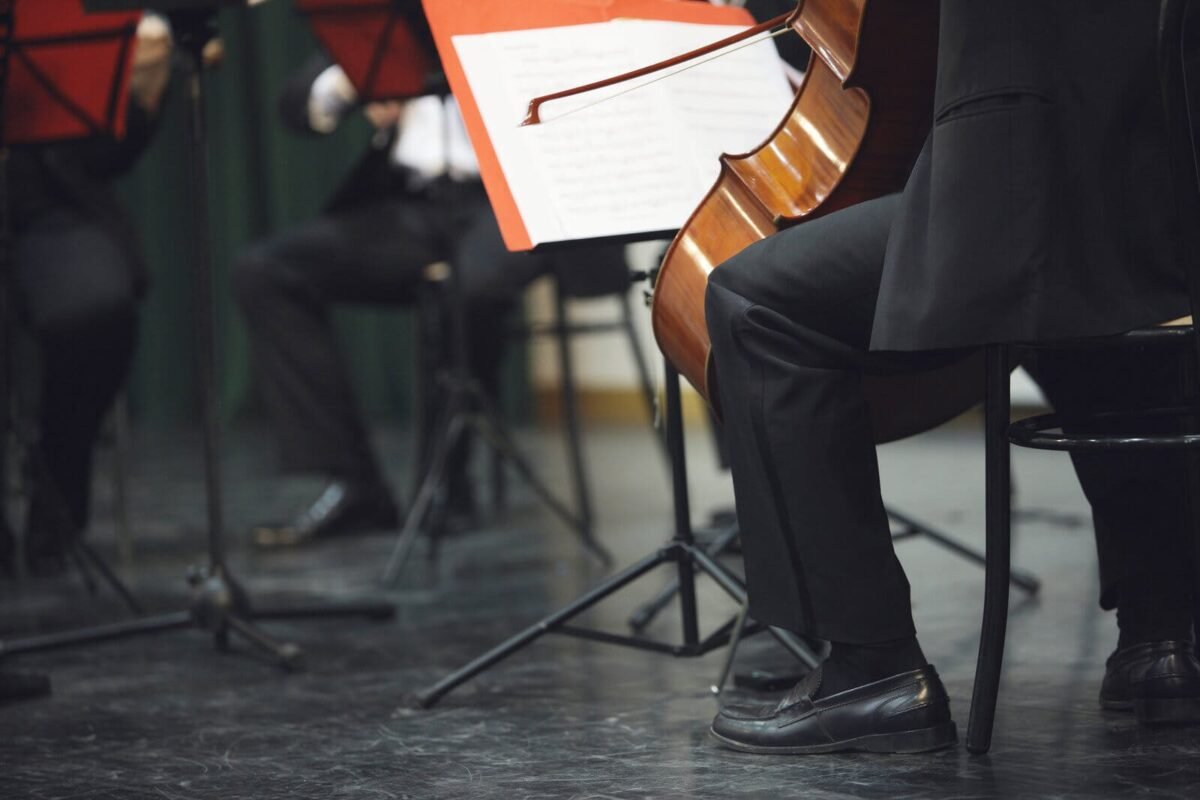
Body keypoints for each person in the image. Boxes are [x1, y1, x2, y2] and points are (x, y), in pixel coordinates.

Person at [703, 1, 1199, 755]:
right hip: (1161, 195)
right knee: (1089, 302)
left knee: (752, 299)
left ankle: (869, 669)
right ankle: (1159, 642)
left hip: (1033, 187)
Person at [235, 35, 624, 547]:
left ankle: (445, 479)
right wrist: (356, 82)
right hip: (416, 203)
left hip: (525, 195)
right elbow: (297, 104)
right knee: (265, 271)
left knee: (468, 288)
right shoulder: (408, 17)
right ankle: (355, 484)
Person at [0, 16, 173, 576]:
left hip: (46, 208)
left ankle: (57, 494)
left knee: (98, 308)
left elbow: (107, 157)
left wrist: (142, 95)